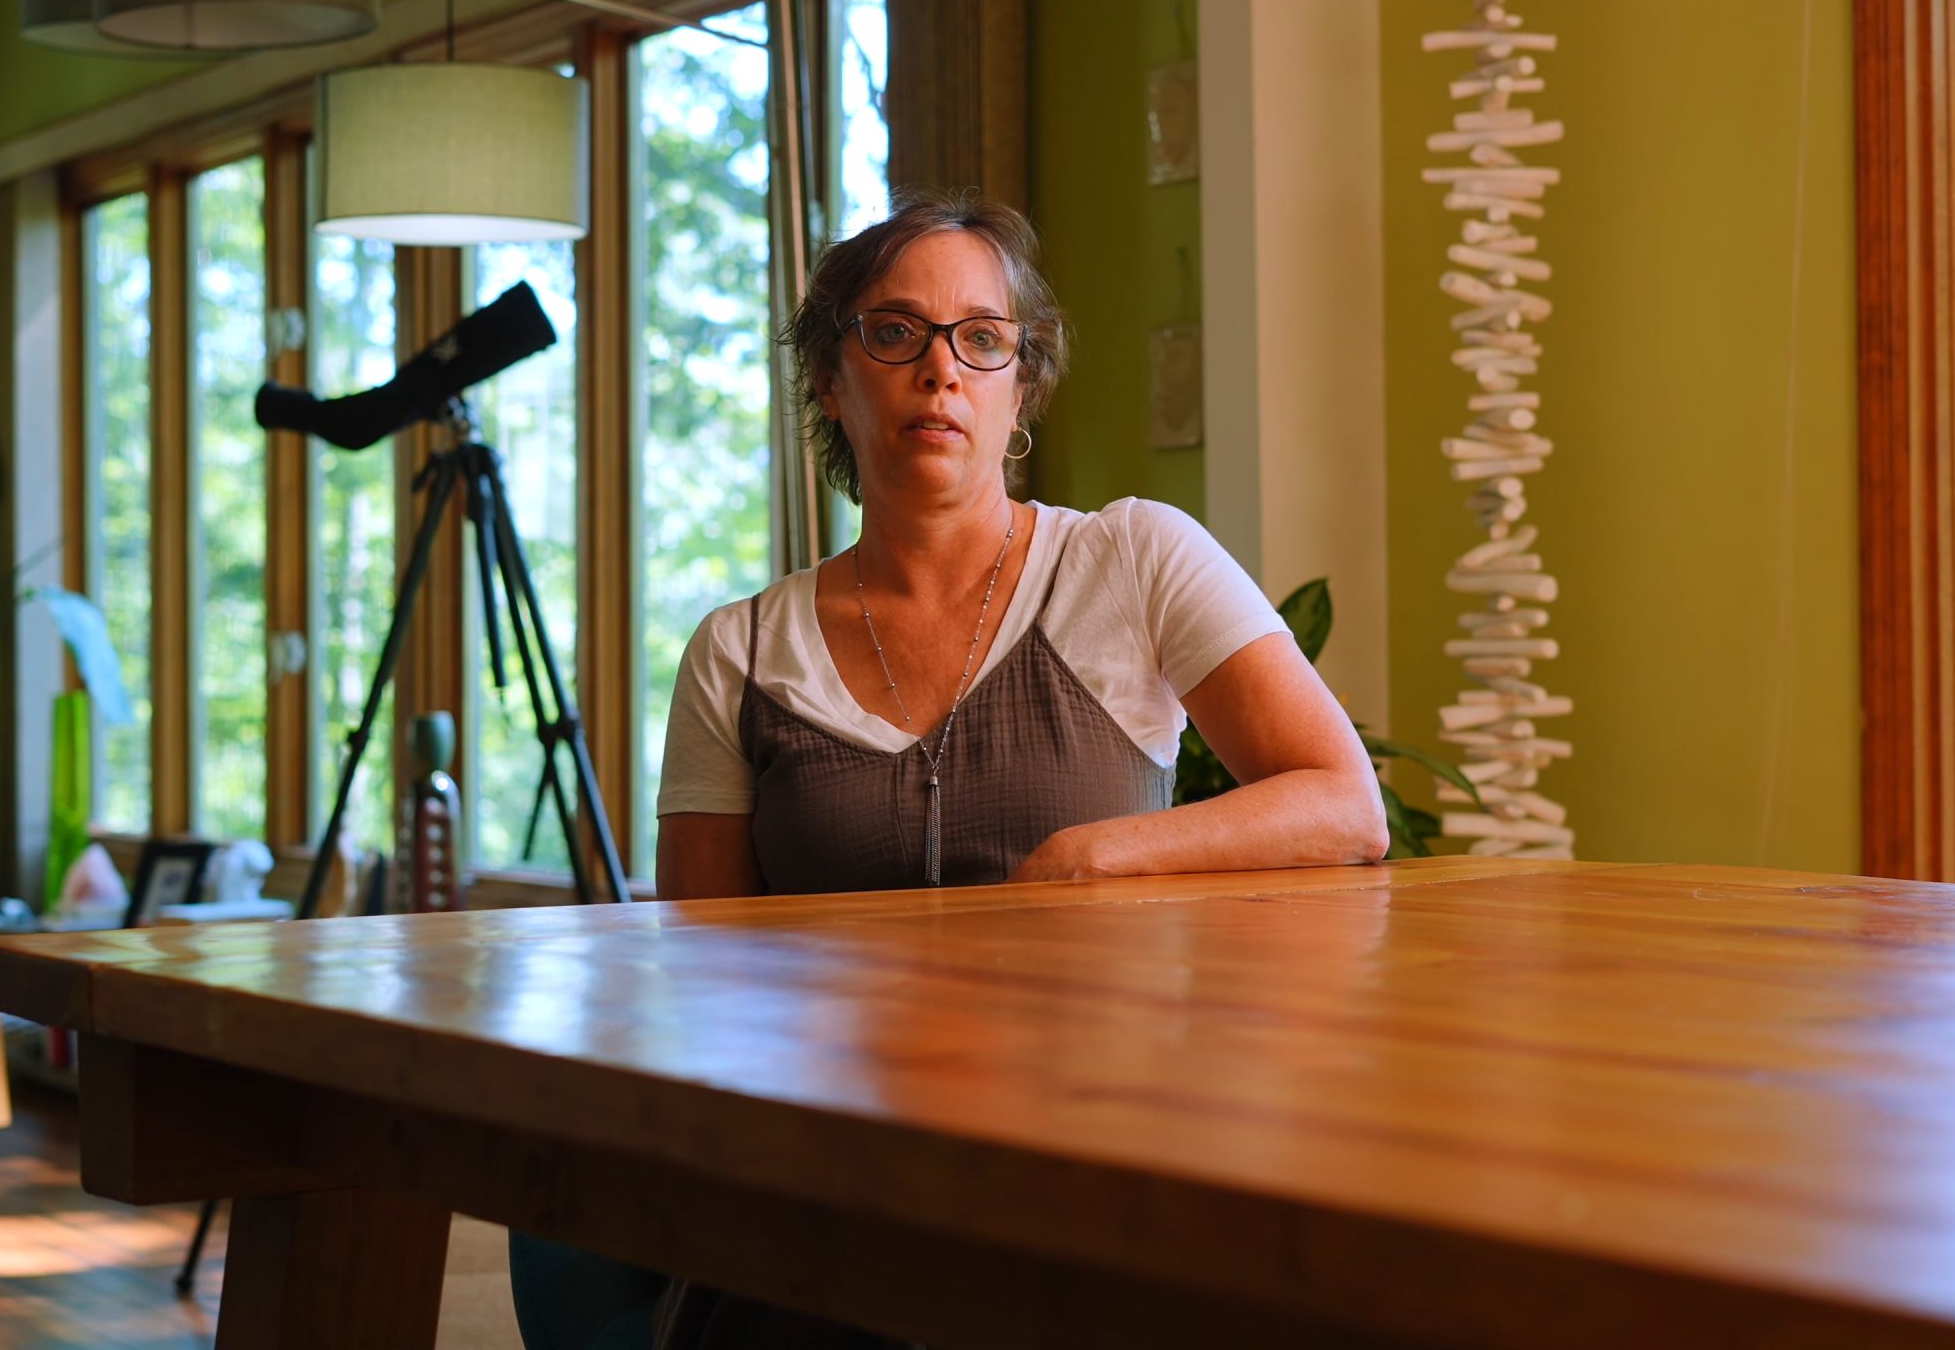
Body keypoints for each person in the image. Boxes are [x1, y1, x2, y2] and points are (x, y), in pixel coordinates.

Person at [511, 189, 1386, 1350]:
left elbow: (1343, 803)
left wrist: (1093, 856)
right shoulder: (739, 651)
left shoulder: (1135, 559)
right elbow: (700, 978)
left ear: (1020, 387)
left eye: (981, 339)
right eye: (895, 333)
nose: (941, 370)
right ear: (831, 380)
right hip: (828, 1171)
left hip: (1086, 1149)